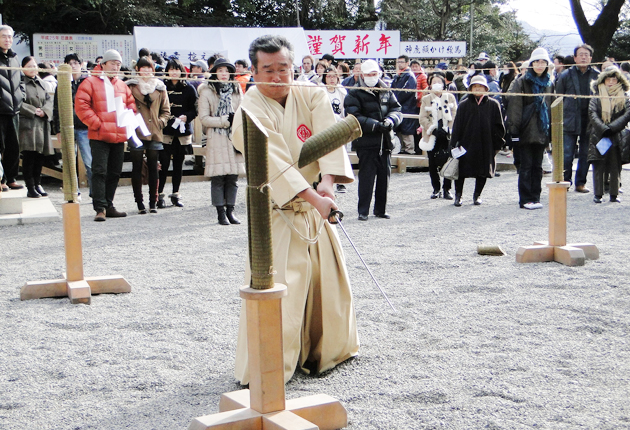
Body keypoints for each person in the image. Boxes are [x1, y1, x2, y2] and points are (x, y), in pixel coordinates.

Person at [231, 35, 358, 384]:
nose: (277, 77)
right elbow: (274, 162)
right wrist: (316, 199)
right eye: (268, 69)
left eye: (283, 68)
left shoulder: (311, 93)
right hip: (277, 211)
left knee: (328, 287)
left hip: (317, 206)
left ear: (293, 66)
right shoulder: (249, 109)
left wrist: (327, 183)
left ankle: (326, 352)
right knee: (280, 291)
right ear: (254, 71)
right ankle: (271, 368)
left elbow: (329, 138)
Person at [75, 49, 137, 221]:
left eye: (118, 64)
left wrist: (128, 118)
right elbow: (81, 105)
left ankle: (108, 204)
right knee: (99, 171)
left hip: (118, 135)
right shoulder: (90, 82)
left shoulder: (122, 85)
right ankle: (100, 207)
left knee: (115, 172)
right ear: (103, 64)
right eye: (112, 63)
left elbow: (131, 105)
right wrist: (97, 123)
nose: (116, 67)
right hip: (99, 135)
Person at [344, 59, 402, 221]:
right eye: (368, 74)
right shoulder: (354, 93)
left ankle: (380, 209)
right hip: (366, 141)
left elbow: (397, 109)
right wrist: (375, 125)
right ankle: (363, 210)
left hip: (385, 141)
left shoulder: (386, 89)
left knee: (384, 178)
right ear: (362, 75)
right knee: (366, 178)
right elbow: (353, 116)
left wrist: (391, 120)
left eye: (374, 73)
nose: (372, 77)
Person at [506, 48, 555, 210]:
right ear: (531, 64)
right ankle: (525, 199)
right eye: (537, 62)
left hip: (542, 129)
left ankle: (535, 197)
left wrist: (551, 132)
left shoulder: (549, 83)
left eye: (543, 62)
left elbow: (551, 107)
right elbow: (514, 107)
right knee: (526, 166)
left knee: (538, 166)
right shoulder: (521, 82)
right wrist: (514, 130)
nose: (540, 65)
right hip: (525, 129)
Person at [198, 58, 244, 225]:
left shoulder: (237, 89)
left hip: (233, 137)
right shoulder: (206, 91)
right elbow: (204, 118)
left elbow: (243, 111)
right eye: (220, 70)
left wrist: (235, 120)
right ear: (215, 72)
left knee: (233, 177)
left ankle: (231, 210)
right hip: (216, 137)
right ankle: (220, 213)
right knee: (218, 177)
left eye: (226, 71)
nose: (224, 74)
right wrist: (224, 120)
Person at [449, 75, 505, 206]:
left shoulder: (493, 104)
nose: (478, 88)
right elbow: (457, 126)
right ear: (470, 89)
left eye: (480, 86)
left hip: (486, 143)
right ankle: (458, 195)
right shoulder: (464, 105)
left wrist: (497, 144)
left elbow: (499, 126)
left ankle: (477, 195)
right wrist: (453, 144)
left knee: (483, 171)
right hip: (466, 143)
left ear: (486, 88)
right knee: (461, 170)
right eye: (475, 86)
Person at [126, 56, 170, 214]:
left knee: (153, 167)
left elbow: (166, 110)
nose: (146, 71)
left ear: (153, 69)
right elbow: (126, 107)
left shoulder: (160, 87)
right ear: (137, 69)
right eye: (143, 68)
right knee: (137, 167)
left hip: (154, 131)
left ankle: (153, 201)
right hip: (136, 131)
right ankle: (139, 202)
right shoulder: (130, 86)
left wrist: (160, 122)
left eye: (149, 68)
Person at [555, 44, 600, 192]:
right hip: (569, 118)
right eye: (580, 54)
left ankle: (581, 183)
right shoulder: (565, 75)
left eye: (586, 55)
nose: (583, 57)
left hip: (590, 120)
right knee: (567, 154)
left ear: (591, 58)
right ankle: (565, 181)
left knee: (586, 154)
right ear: (575, 58)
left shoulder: (597, 75)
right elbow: (558, 98)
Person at [588, 66, 630, 204]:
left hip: (617, 136)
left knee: (615, 166)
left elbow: (627, 114)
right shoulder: (596, 96)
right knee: (598, 165)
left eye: (614, 79)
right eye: (608, 79)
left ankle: (614, 193)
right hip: (599, 135)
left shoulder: (624, 96)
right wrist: (604, 129)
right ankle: (598, 194)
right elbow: (592, 114)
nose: (611, 82)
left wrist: (612, 128)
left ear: (619, 81)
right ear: (603, 80)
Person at [159, 58, 197, 208]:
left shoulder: (189, 88)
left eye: (177, 69)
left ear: (181, 71)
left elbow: (195, 109)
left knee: (178, 165)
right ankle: (159, 195)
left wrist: (187, 117)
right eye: (171, 69)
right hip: (165, 130)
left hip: (182, 131)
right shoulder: (162, 87)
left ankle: (176, 194)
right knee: (163, 164)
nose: (174, 72)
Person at [53, 53, 92, 192]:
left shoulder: (88, 82)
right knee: (69, 161)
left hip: (84, 126)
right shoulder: (62, 84)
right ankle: (73, 192)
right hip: (67, 126)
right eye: (69, 64)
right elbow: (56, 107)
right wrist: (57, 129)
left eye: (75, 63)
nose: (73, 66)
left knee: (89, 161)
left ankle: (95, 192)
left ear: (81, 65)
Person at [419, 72, 458, 200]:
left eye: (439, 82)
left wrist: (449, 129)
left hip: (447, 133)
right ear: (430, 85)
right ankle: (436, 188)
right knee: (432, 162)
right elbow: (422, 117)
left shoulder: (450, 97)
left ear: (444, 84)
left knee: (449, 160)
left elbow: (455, 114)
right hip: (432, 133)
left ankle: (447, 189)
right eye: (434, 82)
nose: (436, 84)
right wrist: (432, 128)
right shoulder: (426, 99)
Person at [19, 57, 54, 198]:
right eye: (29, 66)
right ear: (22, 68)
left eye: (34, 66)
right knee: (29, 156)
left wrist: (45, 111)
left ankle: (38, 183)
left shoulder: (42, 83)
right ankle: (30, 186)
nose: (32, 68)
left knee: (40, 155)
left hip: (42, 123)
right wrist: (33, 110)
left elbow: (49, 100)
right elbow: (18, 101)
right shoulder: (20, 83)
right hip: (28, 123)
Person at [0, 25, 25, 192]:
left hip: (14, 109)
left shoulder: (15, 58)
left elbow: (21, 81)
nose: (7, 39)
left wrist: (21, 96)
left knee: (13, 146)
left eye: (10, 36)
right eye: (4, 36)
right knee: (0, 146)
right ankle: (1, 179)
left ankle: (11, 178)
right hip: (0, 109)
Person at [391, 55, 418, 155]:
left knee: (407, 130)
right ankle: (403, 148)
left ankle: (409, 150)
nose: (400, 64)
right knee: (400, 130)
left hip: (407, 107)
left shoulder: (409, 76)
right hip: (400, 107)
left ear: (407, 63)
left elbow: (405, 92)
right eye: (398, 62)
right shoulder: (398, 75)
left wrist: (395, 100)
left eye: (402, 62)